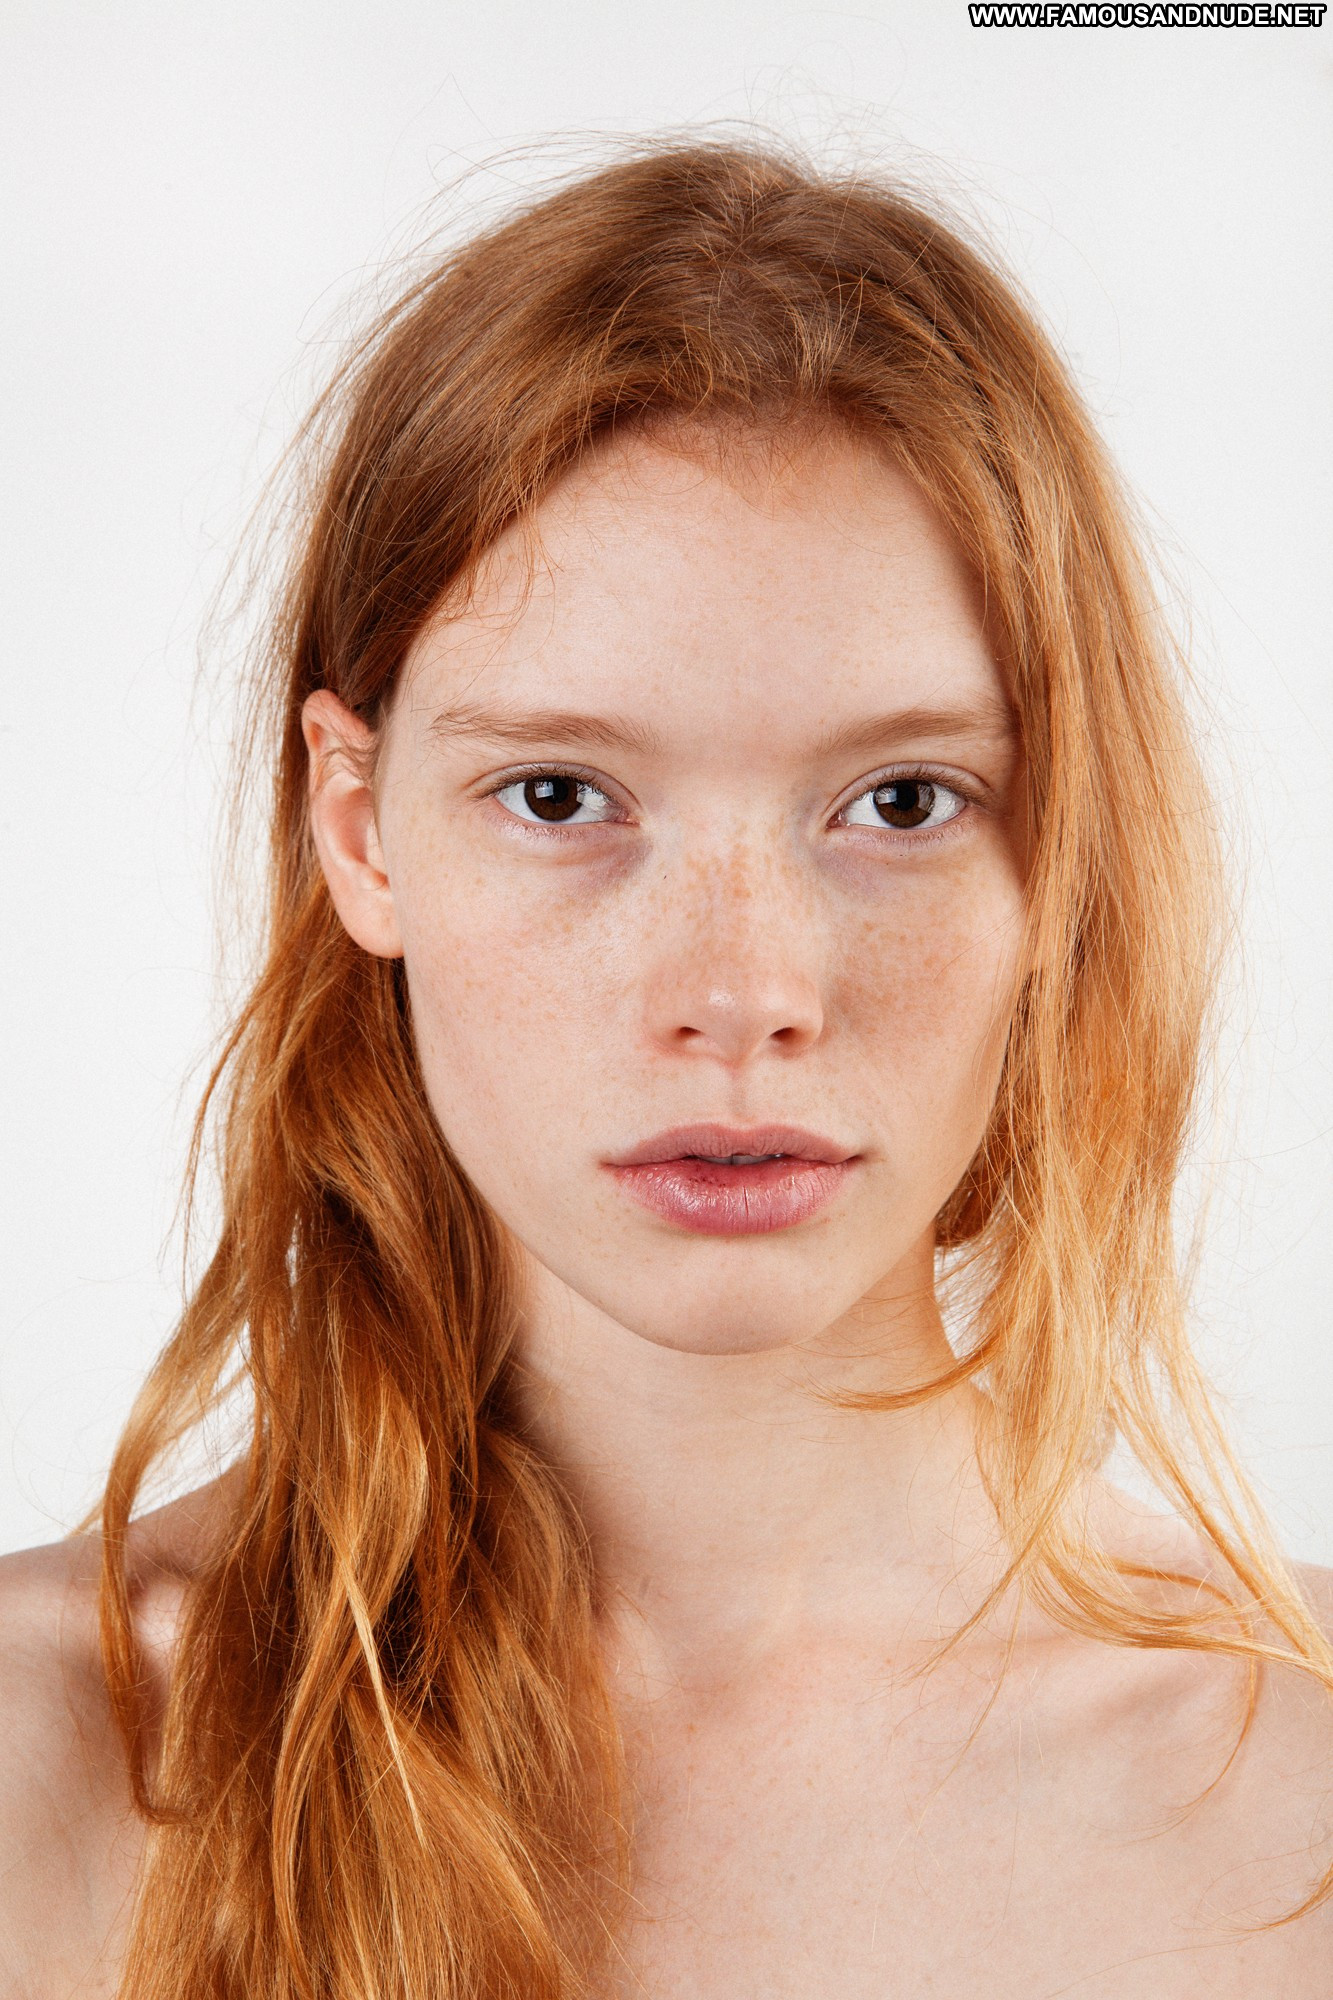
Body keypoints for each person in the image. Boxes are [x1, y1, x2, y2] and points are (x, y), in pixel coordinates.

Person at [0, 137, 1329, 2000]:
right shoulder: (47, 1759)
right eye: (560, 796)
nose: (742, 991)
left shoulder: (1298, 1797)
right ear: (360, 832)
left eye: (900, 801)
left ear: (1065, 857)